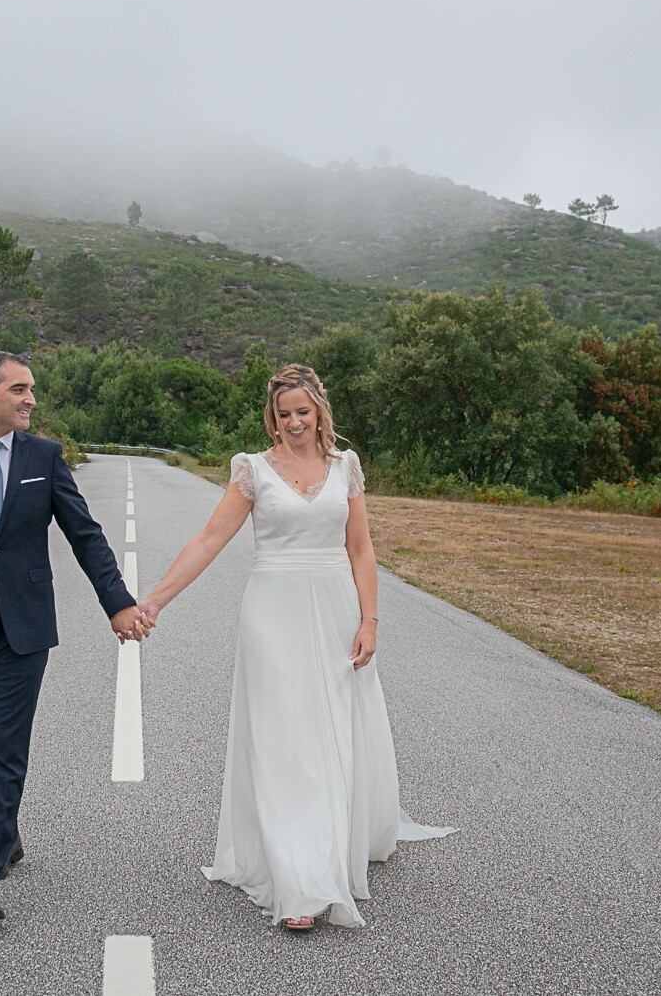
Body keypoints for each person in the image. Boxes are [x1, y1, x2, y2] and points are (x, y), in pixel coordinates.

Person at [139, 364, 452, 930]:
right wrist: (156, 600)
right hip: (272, 614)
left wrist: (370, 620)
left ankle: (326, 847)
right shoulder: (252, 471)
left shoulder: (346, 469)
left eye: (302, 412)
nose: (294, 423)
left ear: (320, 412)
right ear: (272, 417)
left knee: (328, 733)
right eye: (283, 415)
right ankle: (302, 883)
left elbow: (361, 550)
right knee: (286, 740)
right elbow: (210, 539)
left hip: (336, 612)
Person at [0, 350, 152, 924]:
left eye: (32, 390)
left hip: (25, 629)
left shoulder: (44, 457)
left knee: (3, 749)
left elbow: (84, 535)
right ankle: (5, 832)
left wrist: (118, 603)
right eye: (19, 389)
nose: (30, 399)